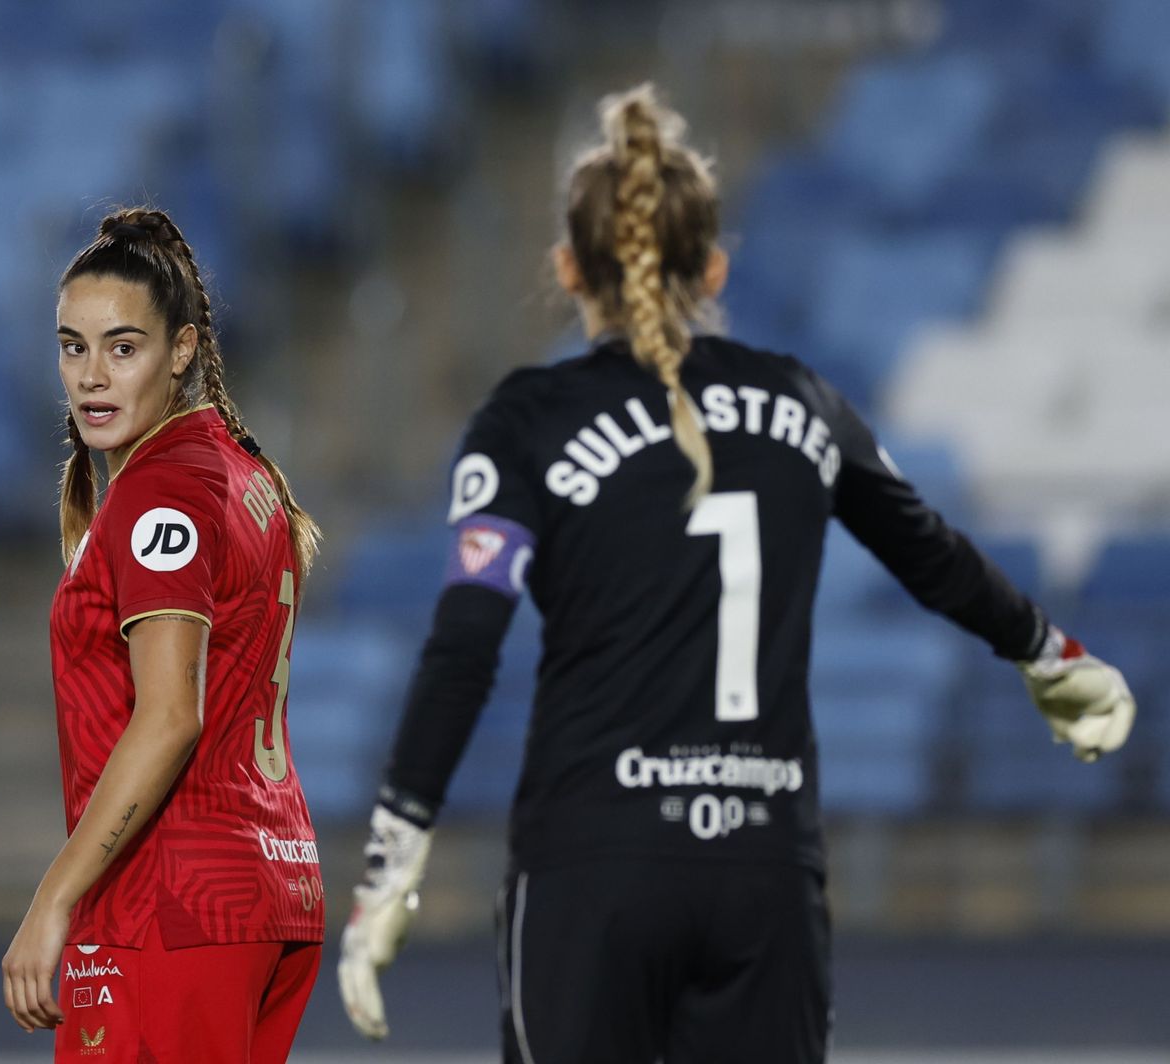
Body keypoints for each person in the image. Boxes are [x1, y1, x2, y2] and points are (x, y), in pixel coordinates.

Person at [337, 85, 1137, 1063]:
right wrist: (1049, 653)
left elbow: (466, 641)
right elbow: (932, 555)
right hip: (763, 871)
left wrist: (394, 857)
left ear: (567, 268)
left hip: (594, 866)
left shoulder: (525, 421)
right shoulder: (804, 405)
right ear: (714, 267)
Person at [1, 207, 326, 1063]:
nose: (91, 377)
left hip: (170, 903)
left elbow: (172, 713)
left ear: (181, 351)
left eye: (123, 347)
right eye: (73, 347)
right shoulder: (238, 470)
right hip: (270, 880)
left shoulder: (160, 495)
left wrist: (54, 897)